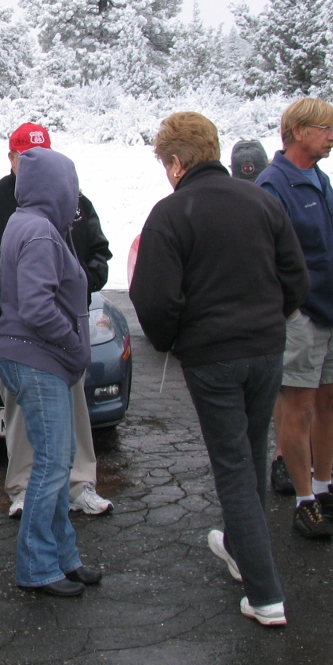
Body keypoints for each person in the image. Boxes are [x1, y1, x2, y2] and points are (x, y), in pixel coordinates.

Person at [130, 112, 308, 627]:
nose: (167, 172)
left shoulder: (171, 212)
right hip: (265, 350)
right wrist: (271, 321)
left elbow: (154, 296)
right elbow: (295, 277)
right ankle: (239, 547)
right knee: (248, 453)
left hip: (213, 358)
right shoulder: (263, 201)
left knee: (233, 466)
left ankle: (265, 592)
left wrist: (173, 341)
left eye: (167, 163)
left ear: (178, 162)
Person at [0, 122, 114, 520]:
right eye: (22, 156)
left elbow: (99, 253)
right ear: (11, 157)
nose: (30, 162)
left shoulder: (76, 202)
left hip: (65, 324)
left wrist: (83, 280)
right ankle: (22, 487)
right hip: (21, 331)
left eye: (40, 154)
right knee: (19, 413)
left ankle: (81, 483)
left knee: (75, 409)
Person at [256, 99, 333, 540]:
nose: (332, 137)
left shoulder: (318, 177)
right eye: (325, 129)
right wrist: (292, 307)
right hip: (303, 315)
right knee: (297, 405)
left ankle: (324, 488)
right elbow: (269, 257)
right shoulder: (273, 185)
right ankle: (304, 499)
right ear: (298, 131)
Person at [0, 146, 102, 598]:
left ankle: (64, 557)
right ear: (54, 187)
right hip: (40, 361)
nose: (74, 195)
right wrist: (73, 344)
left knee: (53, 463)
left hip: (32, 358)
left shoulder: (32, 223)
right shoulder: (40, 232)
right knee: (53, 466)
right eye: (70, 186)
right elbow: (38, 307)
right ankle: (38, 567)